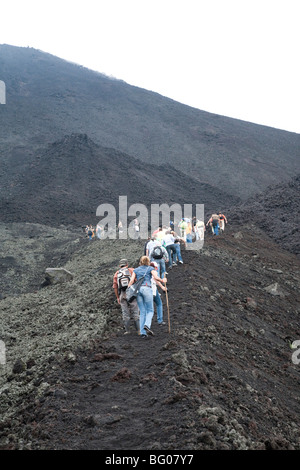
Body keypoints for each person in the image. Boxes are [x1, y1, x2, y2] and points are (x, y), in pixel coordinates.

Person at [127, 256, 167, 338]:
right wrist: (163, 280)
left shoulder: (136, 270)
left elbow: (131, 281)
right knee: (150, 310)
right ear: (148, 262)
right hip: (147, 289)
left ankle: (143, 333)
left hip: (138, 291)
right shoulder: (150, 269)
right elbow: (155, 277)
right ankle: (147, 325)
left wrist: (128, 290)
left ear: (140, 262)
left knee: (142, 312)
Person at [113, 259, 140, 335]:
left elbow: (115, 286)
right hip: (131, 293)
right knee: (135, 310)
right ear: (127, 264)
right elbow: (136, 280)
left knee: (125, 312)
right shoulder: (131, 270)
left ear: (119, 265)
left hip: (122, 294)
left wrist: (118, 297)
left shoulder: (117, 273)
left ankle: (127, 330)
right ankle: (138, 330)